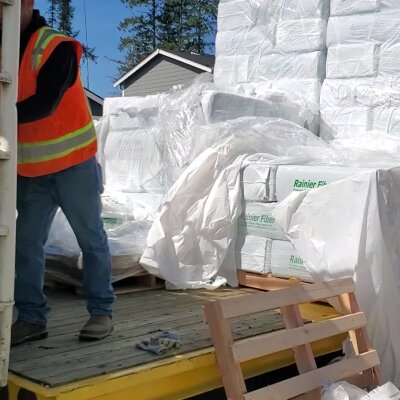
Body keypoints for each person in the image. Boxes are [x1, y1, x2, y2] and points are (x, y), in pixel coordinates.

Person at [3, 0, 115, 346]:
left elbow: (44, 103)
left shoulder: (56, 46)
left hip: (73, 166)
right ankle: (32, 318)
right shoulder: (6, 48)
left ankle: (101, 312)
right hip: (32, 170)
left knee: (91, 240)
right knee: (25, 246)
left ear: (26, 5)